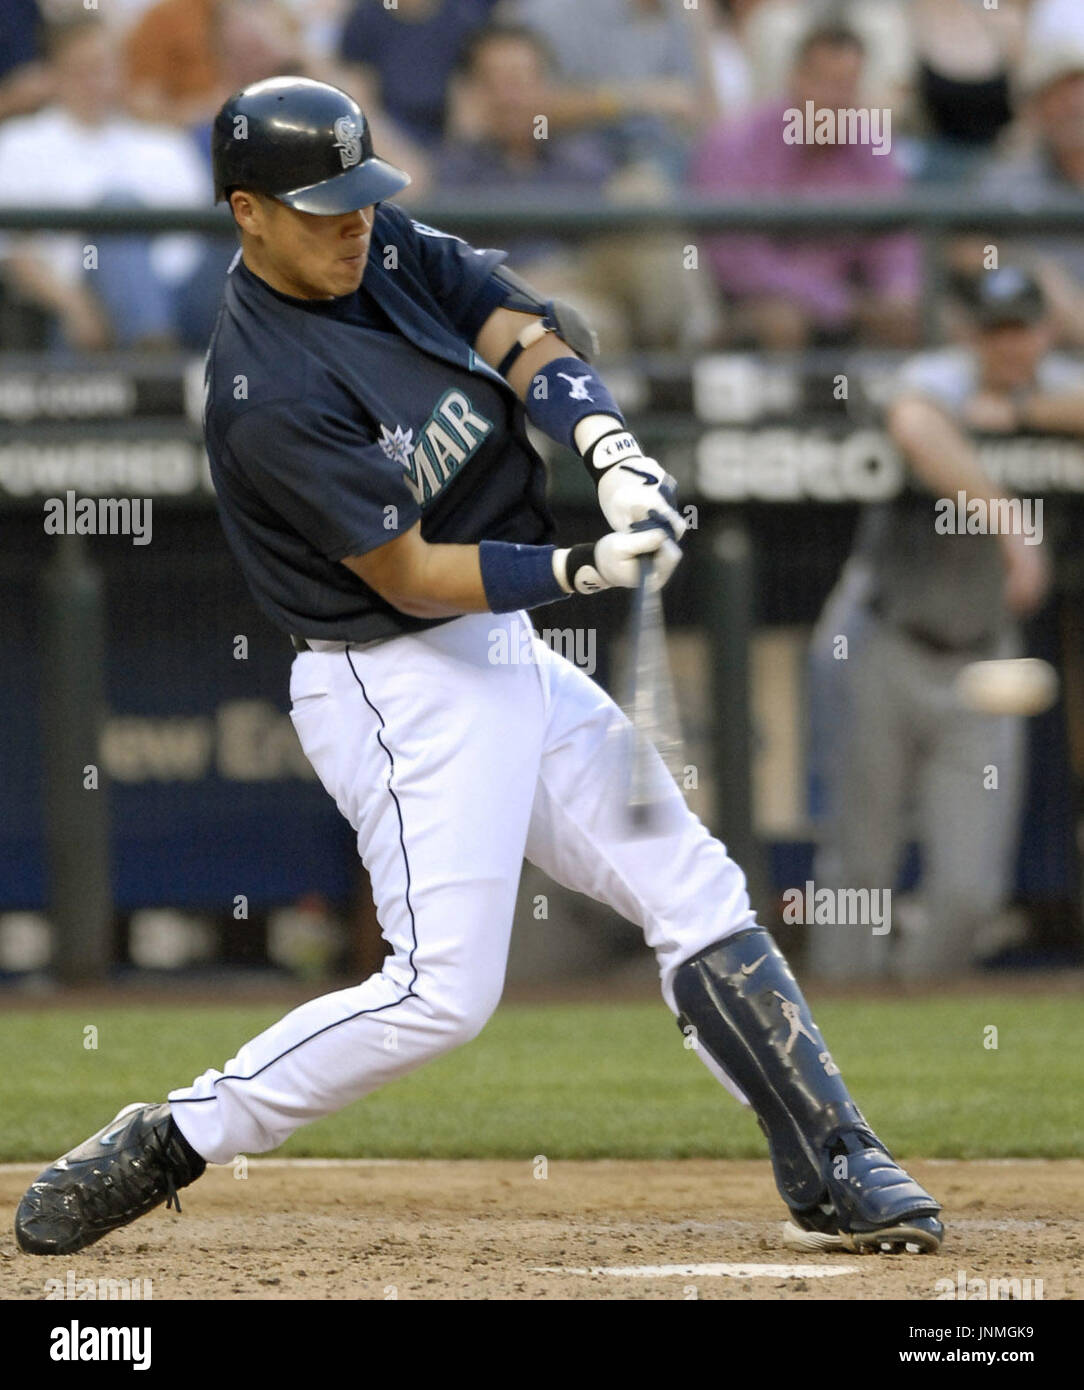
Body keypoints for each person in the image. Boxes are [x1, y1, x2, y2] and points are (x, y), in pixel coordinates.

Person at [15, 77, 942, 1261]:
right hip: (394, 680)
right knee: (441, 995)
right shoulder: (264, 391)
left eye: (358, 200)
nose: (353, 225)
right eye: (320, 209)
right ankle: (175, 1135)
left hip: (503, 653)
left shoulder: (374, 239)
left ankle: (836, 1161)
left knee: (692, 886)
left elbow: (513, 324)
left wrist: (605, 444)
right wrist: (587, 565)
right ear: (245, 212)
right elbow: (408, 573)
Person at [809, 268, 1078, 982]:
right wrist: (1011, 524)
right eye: (995, 332)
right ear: (970, 334)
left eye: (1022, 329)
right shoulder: (939, 375)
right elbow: (915, 421)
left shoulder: (1053, 382)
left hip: (984, 660)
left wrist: (1022, 415)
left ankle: (910, 1015)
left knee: (969, 890)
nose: (1009, 347)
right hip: (883, 636)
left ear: (1043, 331)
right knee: (859, 868)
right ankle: (839, 1030)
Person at [690, 20, 920, 350]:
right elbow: (738, 263)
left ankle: (891, 401)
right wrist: (840, 302)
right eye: (824, 83)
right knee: (783, 322)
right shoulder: (735, 141)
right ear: (796, 78)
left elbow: (895, 239)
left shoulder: (871, 141)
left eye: (846, 86)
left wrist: (899, 291)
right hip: (743, 305)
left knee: (926, 317)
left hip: (854, 300)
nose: (835, 100)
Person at [0, 14, 213, 351]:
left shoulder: (163, 144)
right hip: (80, 312)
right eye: (81, 69)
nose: (94, 81)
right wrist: (74, 305)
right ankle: (155, 357)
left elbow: (205, 242)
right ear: (54, 74)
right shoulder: (20, 144)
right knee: (118, 206)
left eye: (104, 67)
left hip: (183, 301)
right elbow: (12, 253)